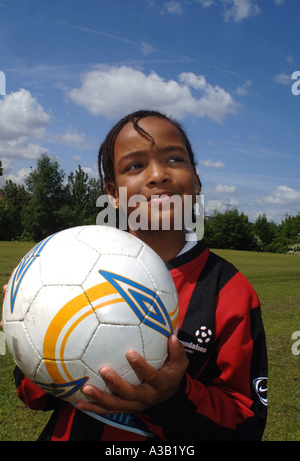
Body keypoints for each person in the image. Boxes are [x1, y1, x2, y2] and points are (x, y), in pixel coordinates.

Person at [3, 110, 268, 441]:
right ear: (112, 193)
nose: (158, 175)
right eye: (135, 166)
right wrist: (27, 332)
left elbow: (245, 425)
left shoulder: (229, 291)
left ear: (197, 180)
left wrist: (172, 399)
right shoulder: (67, 266)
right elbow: (34, 397)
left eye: (174, 158)